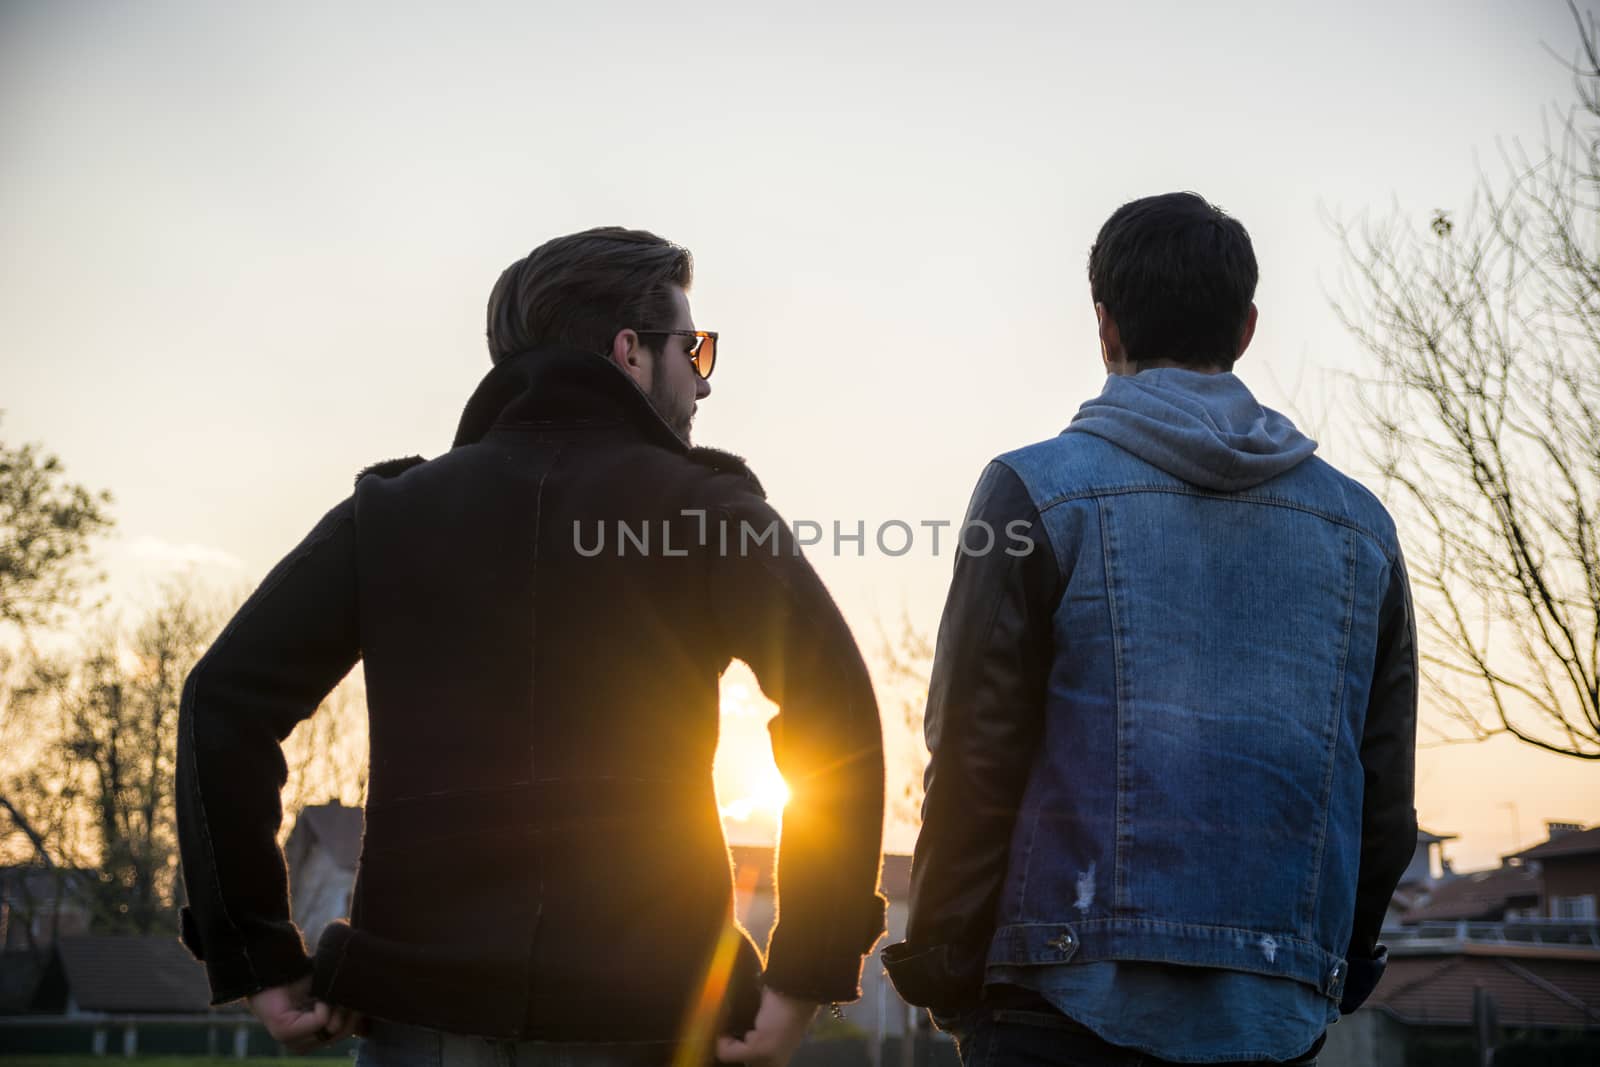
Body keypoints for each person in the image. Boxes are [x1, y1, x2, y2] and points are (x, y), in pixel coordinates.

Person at [175, 226, 887, 1066]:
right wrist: (803, 972)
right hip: (654, 1020)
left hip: (420, 1020)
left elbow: (223, 703)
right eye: (692, 350)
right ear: (630, 351)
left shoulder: (392, 515)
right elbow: (834, 715)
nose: (702, 383)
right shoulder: (707, 513)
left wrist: (257, 952)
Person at [882, 193, 1417, 1065]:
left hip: (1054, 1001)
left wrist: (944, 958)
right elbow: (1384, 787)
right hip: (1275, 1012)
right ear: (1246, 328)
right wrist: (1336, 959)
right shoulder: (1364, 527)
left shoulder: (1030, 492)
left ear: (1104, 327)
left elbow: (972, 751)